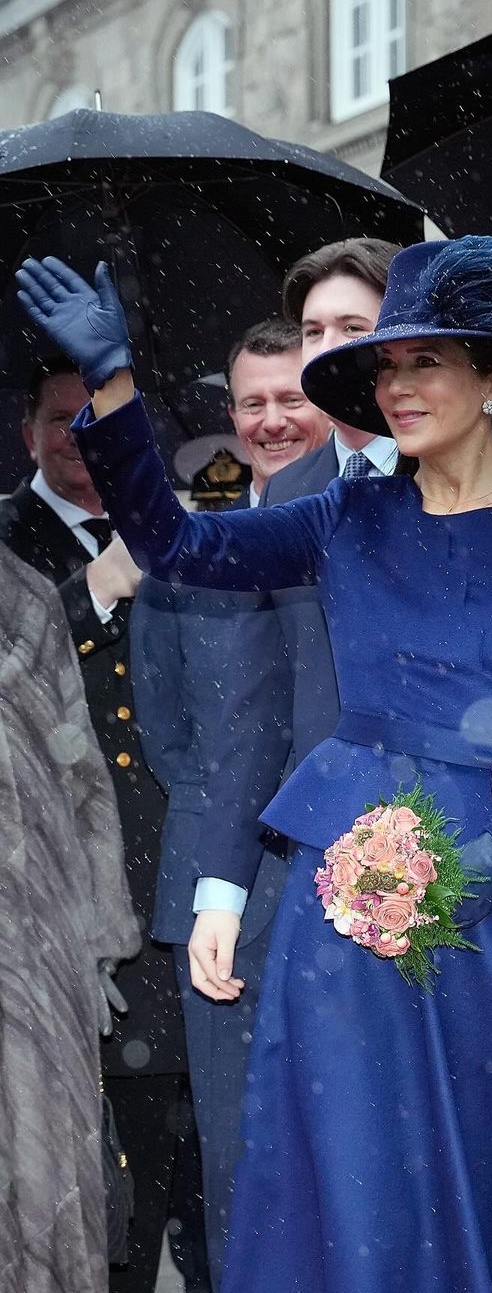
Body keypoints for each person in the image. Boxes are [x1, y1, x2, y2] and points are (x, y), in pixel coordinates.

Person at [18, 233, 492, 1293]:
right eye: (384, 366)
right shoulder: (350, 514)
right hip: (344, 891)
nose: (395, 386)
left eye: (423, 362)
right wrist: (116, 391)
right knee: (354, 1175)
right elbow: (183, 546)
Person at [0, 357, 208, 1293]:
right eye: (60, 421)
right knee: (107, 1202)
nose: (79, 441)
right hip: (76, 912)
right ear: (28, 435)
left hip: (190, 888)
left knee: (220, 1193)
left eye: (99, 421)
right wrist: (93, 590)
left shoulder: (179, 525)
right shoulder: (8, 540)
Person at [128, 317, 327, 1288]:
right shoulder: (187, 550)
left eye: (292, 396)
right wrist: (228, 850)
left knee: (355, 1166)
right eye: (252, 401)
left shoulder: (362, 529)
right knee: (238, 1170)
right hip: (218, 910)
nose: (272, 419)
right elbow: (168, 732)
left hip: (352, 890)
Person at [0, 541, 140, 1293]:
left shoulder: (23, 593)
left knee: (42, 1173)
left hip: (38, 940)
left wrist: (98, 939)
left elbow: (84, 775)